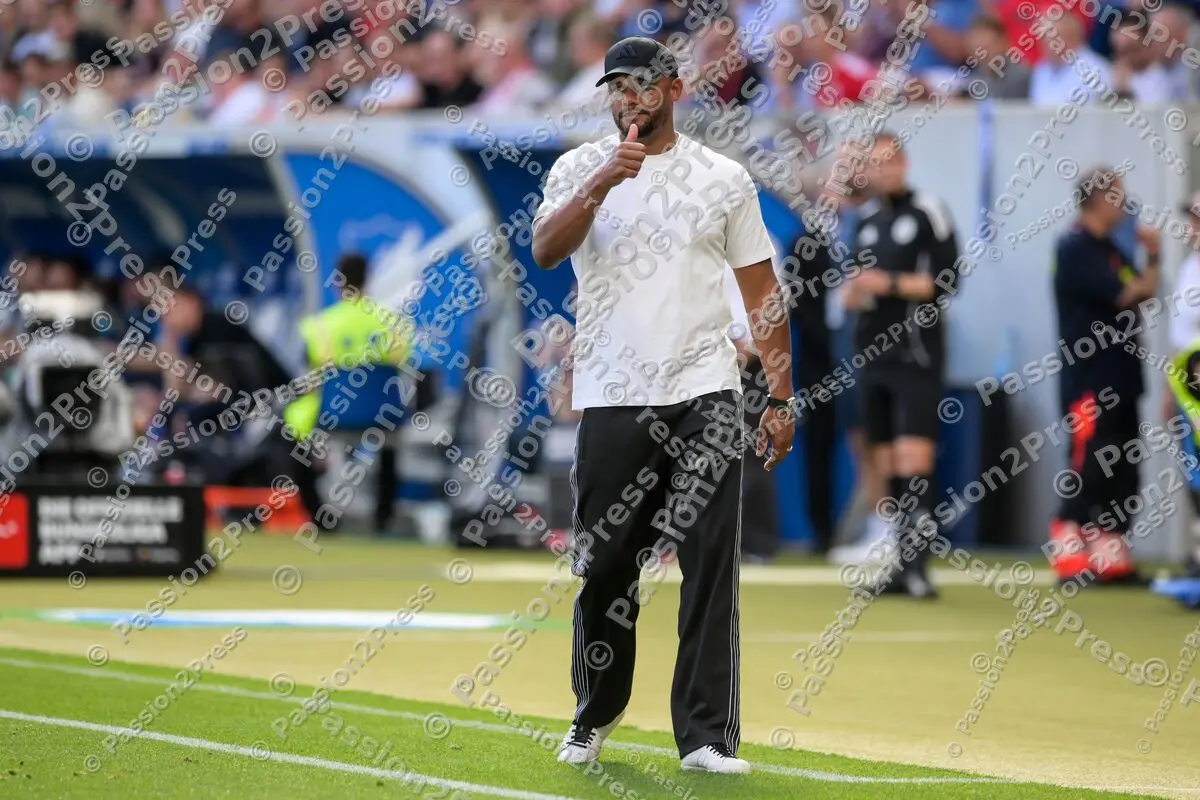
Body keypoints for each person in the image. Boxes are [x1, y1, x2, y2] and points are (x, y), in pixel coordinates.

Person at [530, 36, 796, 774]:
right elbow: (547, 251)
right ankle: (596, 713)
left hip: (706, 391)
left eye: (642, 86)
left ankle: (707, 736)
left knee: (712, 558)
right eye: (617, 88)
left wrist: (779, 393)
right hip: (614, 395)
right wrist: (601, 185)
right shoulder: (580, 166)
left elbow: (761, 291)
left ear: (674, 89)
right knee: (608, 564)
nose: (629, 100)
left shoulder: (723, 179)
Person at [843, 132, 960, 599]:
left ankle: (919, 570)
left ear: (904, 163)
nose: (883, 170)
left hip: (916, 353)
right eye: (874, 163)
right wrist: (854, 291)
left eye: (890, 161)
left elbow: (947, 281)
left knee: (916, 459)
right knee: (886, 460)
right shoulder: (867, 219)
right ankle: (899, 564)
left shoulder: (929, 210)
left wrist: (887, 283)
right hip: (873, 354)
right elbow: (856, 281)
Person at [1048, 167, 1160, 585]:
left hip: (1123, 378)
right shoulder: (1075, 247)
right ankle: (1068, 550)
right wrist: (1149, 262)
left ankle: (1110, 556)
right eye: (1118, 195)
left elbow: (1144, 291)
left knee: (1124, 468)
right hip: (1090, 381)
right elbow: (1131, 293)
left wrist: (1151, 256)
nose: (1125, 203)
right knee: (1089, 464)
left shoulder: (1111, 249)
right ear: (1098, 199)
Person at [285, 253, 414, 534]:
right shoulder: (392, 323)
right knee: (388, 447)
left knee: (292, 428)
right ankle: (384, 519)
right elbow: (402, 364)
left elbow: (311, 375)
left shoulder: (319, 325)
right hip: (381, 416)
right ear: (368, 280)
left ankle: (320, 519)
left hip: (331, 413)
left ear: (337, 282)